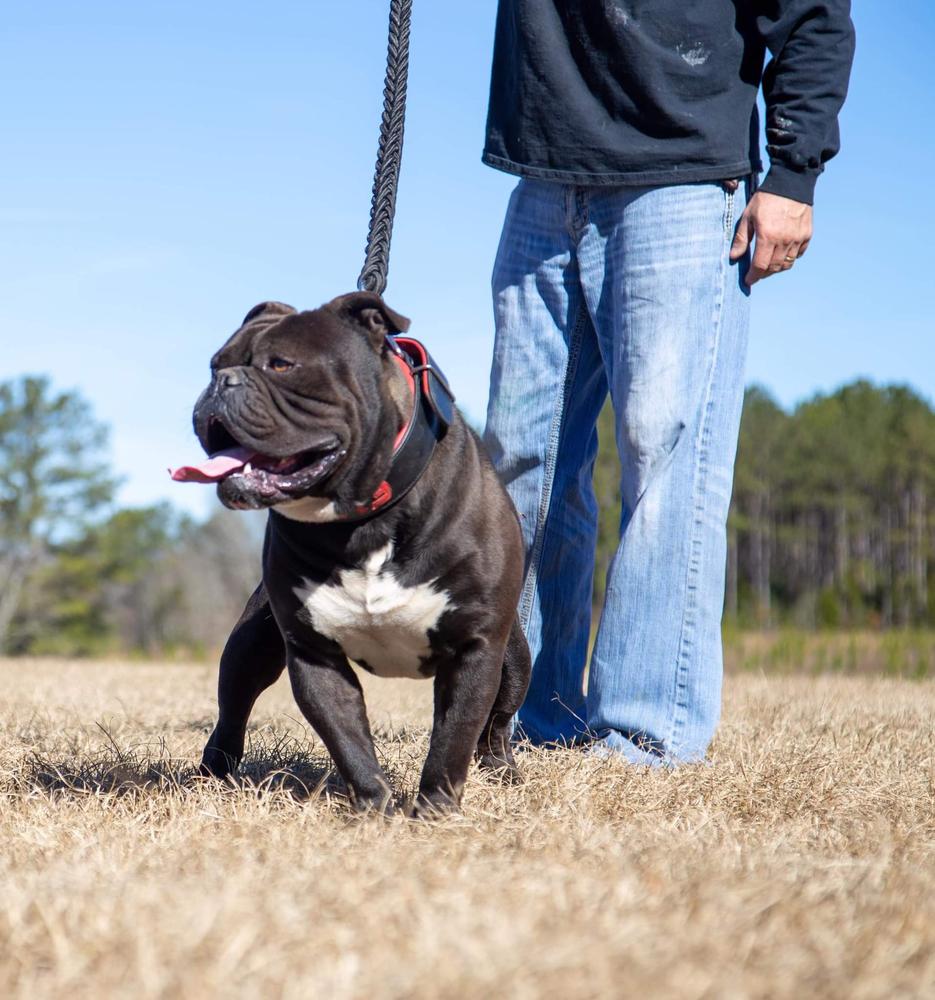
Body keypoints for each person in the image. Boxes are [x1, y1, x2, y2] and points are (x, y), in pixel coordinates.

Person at [481, 1, 855, 764]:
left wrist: (792, 172)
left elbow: (815, 11)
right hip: (544, 173)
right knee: (520, 461)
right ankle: (527, 719)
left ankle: (645, 735)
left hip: (682, 177)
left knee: (663, 454)